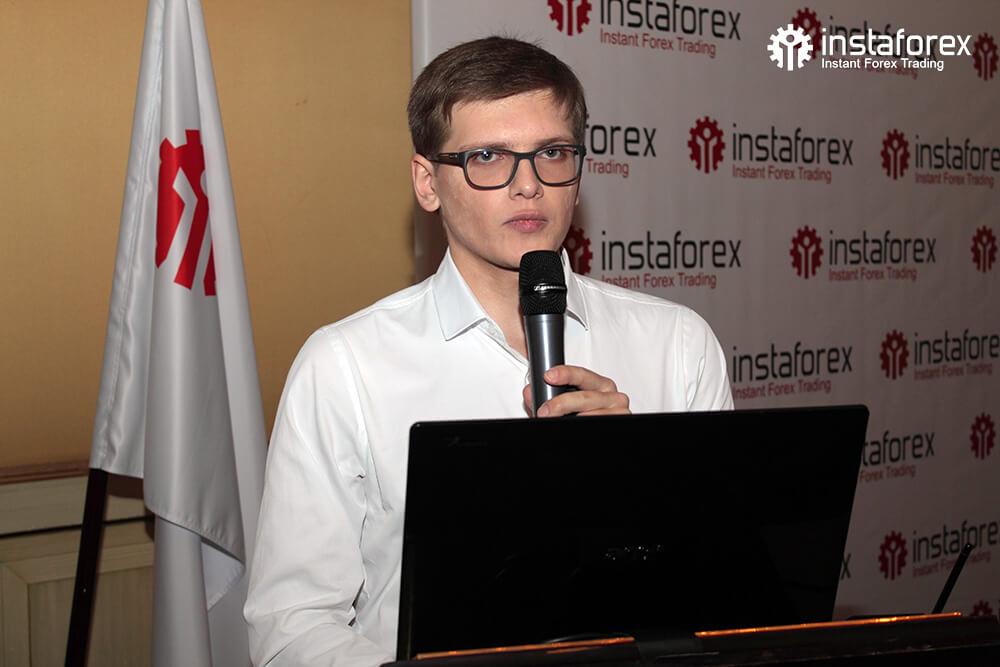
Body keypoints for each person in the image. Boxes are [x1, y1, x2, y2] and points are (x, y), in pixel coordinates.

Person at [244, 36, 733, 666]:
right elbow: (291, 628)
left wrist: (636, 478)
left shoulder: (678, 344)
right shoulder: (346, 365)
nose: (528, 185)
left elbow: (729, 594)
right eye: (488, 157)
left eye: (552, 153)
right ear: (427, 183)